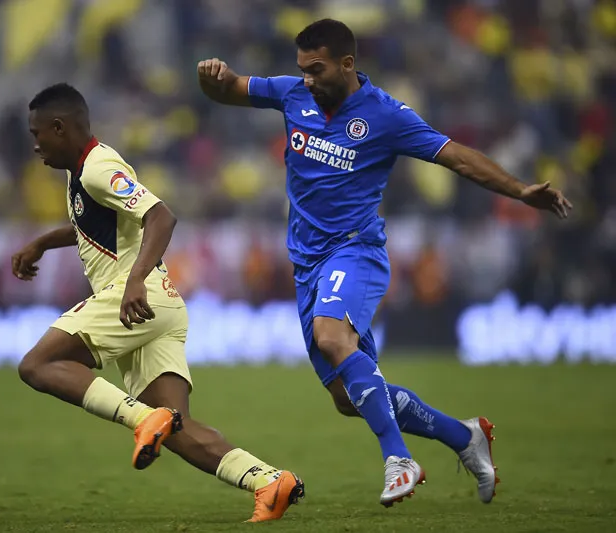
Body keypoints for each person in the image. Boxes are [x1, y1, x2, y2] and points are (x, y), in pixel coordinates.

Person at [197, 18, 572, 507]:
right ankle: (464, 436)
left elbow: (456, 156)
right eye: (302, 70)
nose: (307, 79)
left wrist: (521, 190)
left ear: (348, 64)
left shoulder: (385, 115)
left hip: (356, 251)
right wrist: (213, 80)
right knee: (348, 398)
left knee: (333, 337)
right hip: (307, 265)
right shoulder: (291, 94)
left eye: (317, 69)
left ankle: (399, 459)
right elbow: (231, 90)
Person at [11, 83, 304, 522]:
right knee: (177, 426)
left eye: (38, 134)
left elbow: (160, 215)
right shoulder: (80, 173)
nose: (34, 145)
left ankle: (139, 420)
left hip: (134, 299)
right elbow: (98, 227)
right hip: (157, 306)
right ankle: (268, 480)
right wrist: (41, 243)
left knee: (36, 365)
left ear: (59, 127)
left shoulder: (96, 167)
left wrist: (134, 281)